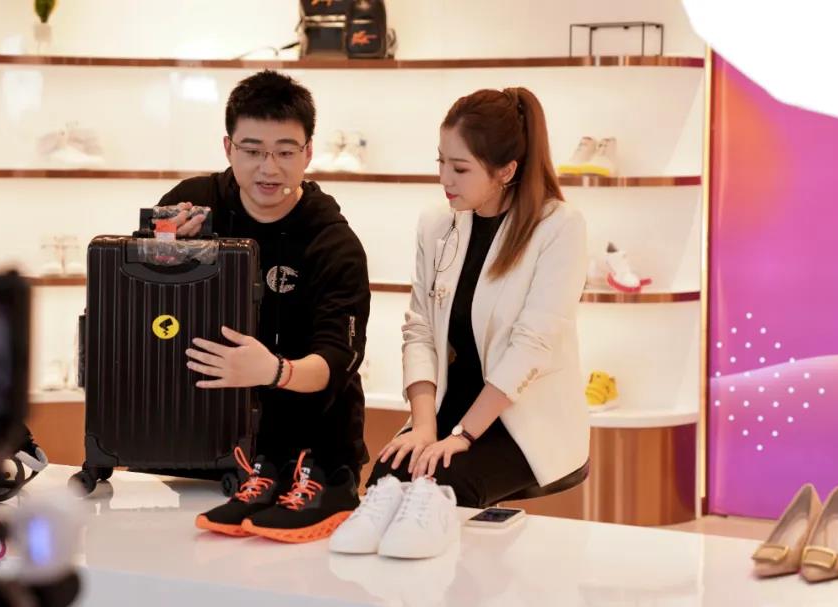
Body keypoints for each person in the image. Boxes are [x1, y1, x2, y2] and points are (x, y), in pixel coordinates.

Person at [158, 70, 368, 541]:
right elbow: (142, 297)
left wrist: (273, 370)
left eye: (285, 152)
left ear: (308, 153)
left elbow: (337, 361)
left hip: (309, 444)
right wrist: (164, 243)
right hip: (202, 437)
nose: (268, 169)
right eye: (252, 151)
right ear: (228, 148)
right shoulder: (193, 203)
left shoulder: (334, 243)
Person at [368, 87, 589, 507]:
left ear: (506, 170)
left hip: (521, 418)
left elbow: (531, 345)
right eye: (440, 161)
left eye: (460, 168)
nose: (444, 178)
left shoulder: (558, 227)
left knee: (442, 487)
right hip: (450, 405)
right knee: (386, 479)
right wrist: (423, 427)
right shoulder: (436, 223)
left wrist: (463, 435)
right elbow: (419, 330)